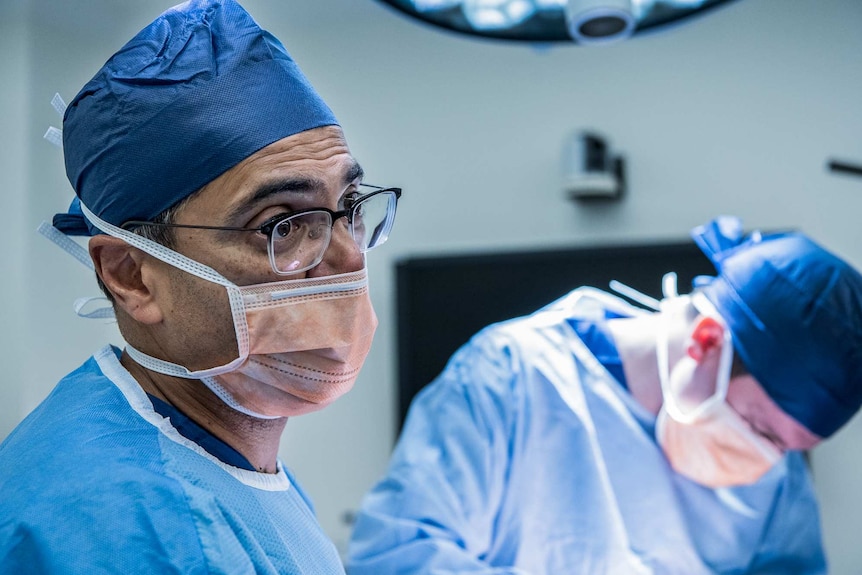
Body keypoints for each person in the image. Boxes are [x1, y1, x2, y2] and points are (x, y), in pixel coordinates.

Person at [0, 1, 401, 572]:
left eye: (348, 208)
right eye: (282, 225)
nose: (347, 258)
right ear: (131, 276)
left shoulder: (222, 464)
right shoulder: (122, 520)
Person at [347, 216, 862, 574]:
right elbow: (394, 558)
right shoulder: (511, 380)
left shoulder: (775, 470)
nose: (765, 463)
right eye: (762, 429)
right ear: (707, 343)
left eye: (788, 449)